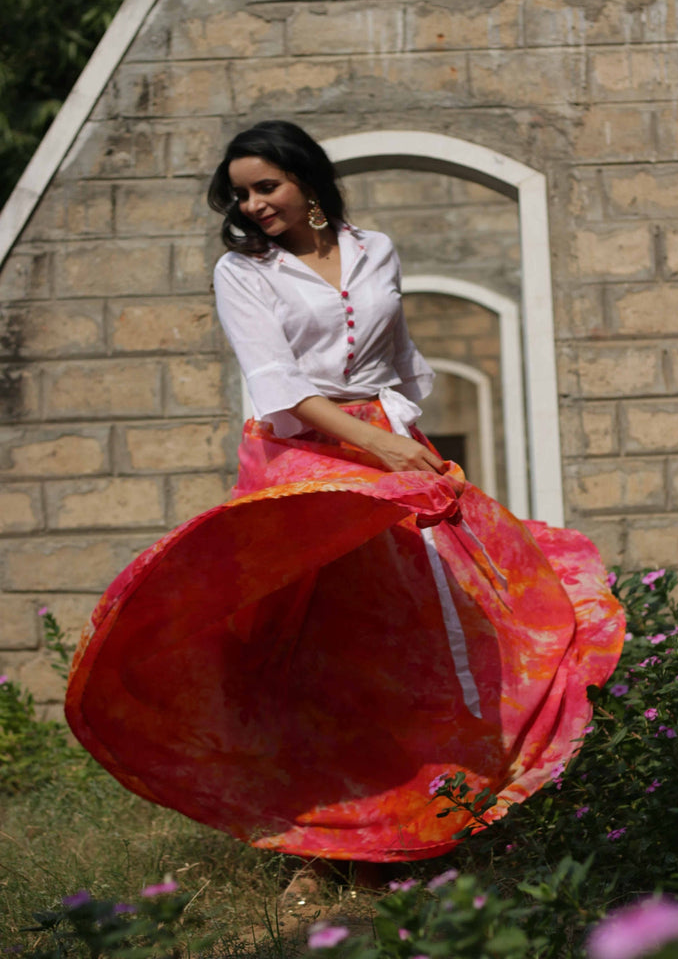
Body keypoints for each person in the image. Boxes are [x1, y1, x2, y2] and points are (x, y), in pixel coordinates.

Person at [65, 121, 624, 864]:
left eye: (268, 186)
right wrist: (372, 443)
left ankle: (437, 809)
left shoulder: (375, 249)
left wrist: (399, 435)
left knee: (435, 624)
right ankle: (314, 848)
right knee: (310, 646)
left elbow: (393, 354)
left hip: (388, 447)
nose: (256, 204)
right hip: (301, 456)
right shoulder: (245, 272)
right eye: (242, 194)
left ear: (306, 179)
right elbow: (278, 383)